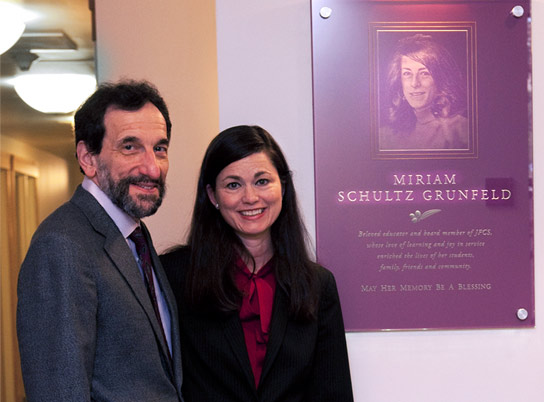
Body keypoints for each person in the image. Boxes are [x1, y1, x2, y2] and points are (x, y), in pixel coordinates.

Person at [16, 80, 184, 401]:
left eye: (159, 148)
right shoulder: (62, 244)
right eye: (130, 147)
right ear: (87, 158)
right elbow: (59, 393)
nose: (151, 167)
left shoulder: (132, 232)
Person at [161, 125, 354, 402]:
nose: (250, 197)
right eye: (233, 185)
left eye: (262, 181)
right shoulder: (173, 275)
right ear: (213, 196)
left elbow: (333, 394)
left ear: (283, 187)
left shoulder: (318, 285)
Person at [379, 33, 469, 150]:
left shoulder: (463, 131)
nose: (415, 83)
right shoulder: (385, 136)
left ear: (440, 80)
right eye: (407, 74)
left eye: (424, 73)